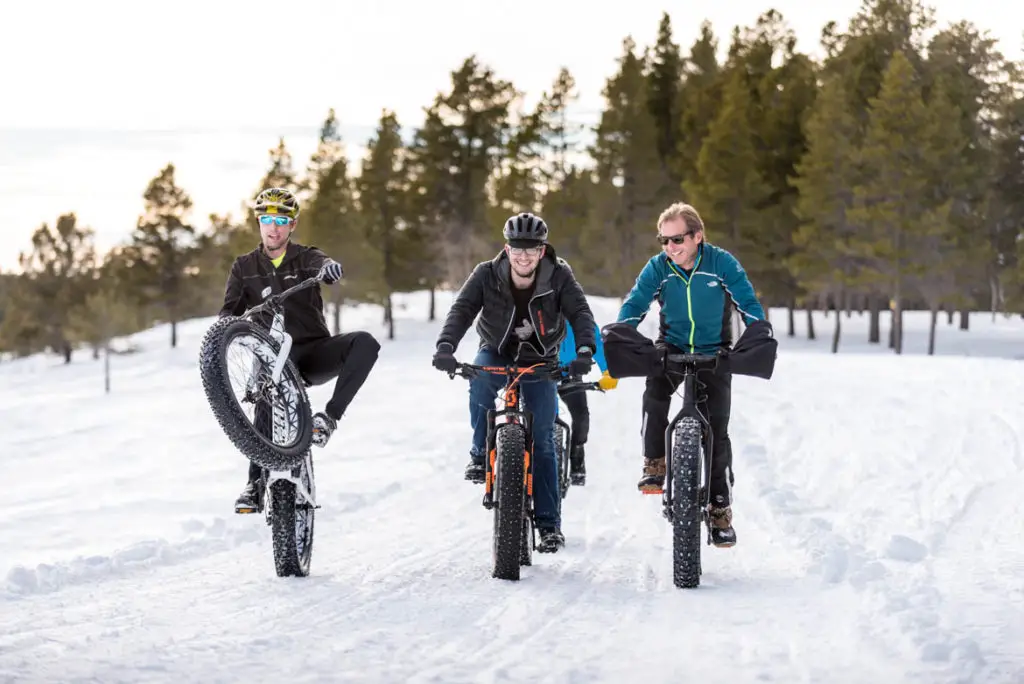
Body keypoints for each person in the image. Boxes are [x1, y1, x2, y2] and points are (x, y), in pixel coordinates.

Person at [431, 212, 597, 553]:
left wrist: (583, 350)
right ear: (507, 249)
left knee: (544, 440)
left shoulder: (559, 275)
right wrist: (446, 347)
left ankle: (549, 525)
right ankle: (479, 453)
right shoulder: (486, 274)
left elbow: (580, 312)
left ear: (542, 250)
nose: (524, 256)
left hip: (541, 358)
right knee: (479, 381)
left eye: (531, 249)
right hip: (496, 350)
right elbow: (462, 310)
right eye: (517, 249)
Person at [615, 202, 768, 548]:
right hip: (671, 347)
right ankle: (655, 462)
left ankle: (719, 509)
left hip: (715, 353)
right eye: (663, 240)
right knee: (654, 395)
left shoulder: (720, 263)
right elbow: (636, 302)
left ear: (697, 236)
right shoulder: (659, 267)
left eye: (677, 239)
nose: (670, 247)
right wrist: (623, 331)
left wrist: (758, 332)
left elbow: (747, 301)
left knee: (717, 430)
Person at [220, 187, 381, 513]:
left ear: (292, 225)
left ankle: (329, 419)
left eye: (281, 220)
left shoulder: (305, 257)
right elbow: (228, 316)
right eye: (267, 219)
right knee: (267, 385)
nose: (273, 227)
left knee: (365, 343)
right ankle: (255, 484)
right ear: (258, 222)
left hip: (312, 352)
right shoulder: (244, 267)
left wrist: (330, 268)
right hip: (270, 355)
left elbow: (323, 263)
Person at [556, 321, 618, 485]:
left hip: (569, 373)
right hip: (539, 373)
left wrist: (607, 371)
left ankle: (577, 455)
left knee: (581, 415)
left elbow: (595, 340)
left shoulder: (577, 314)